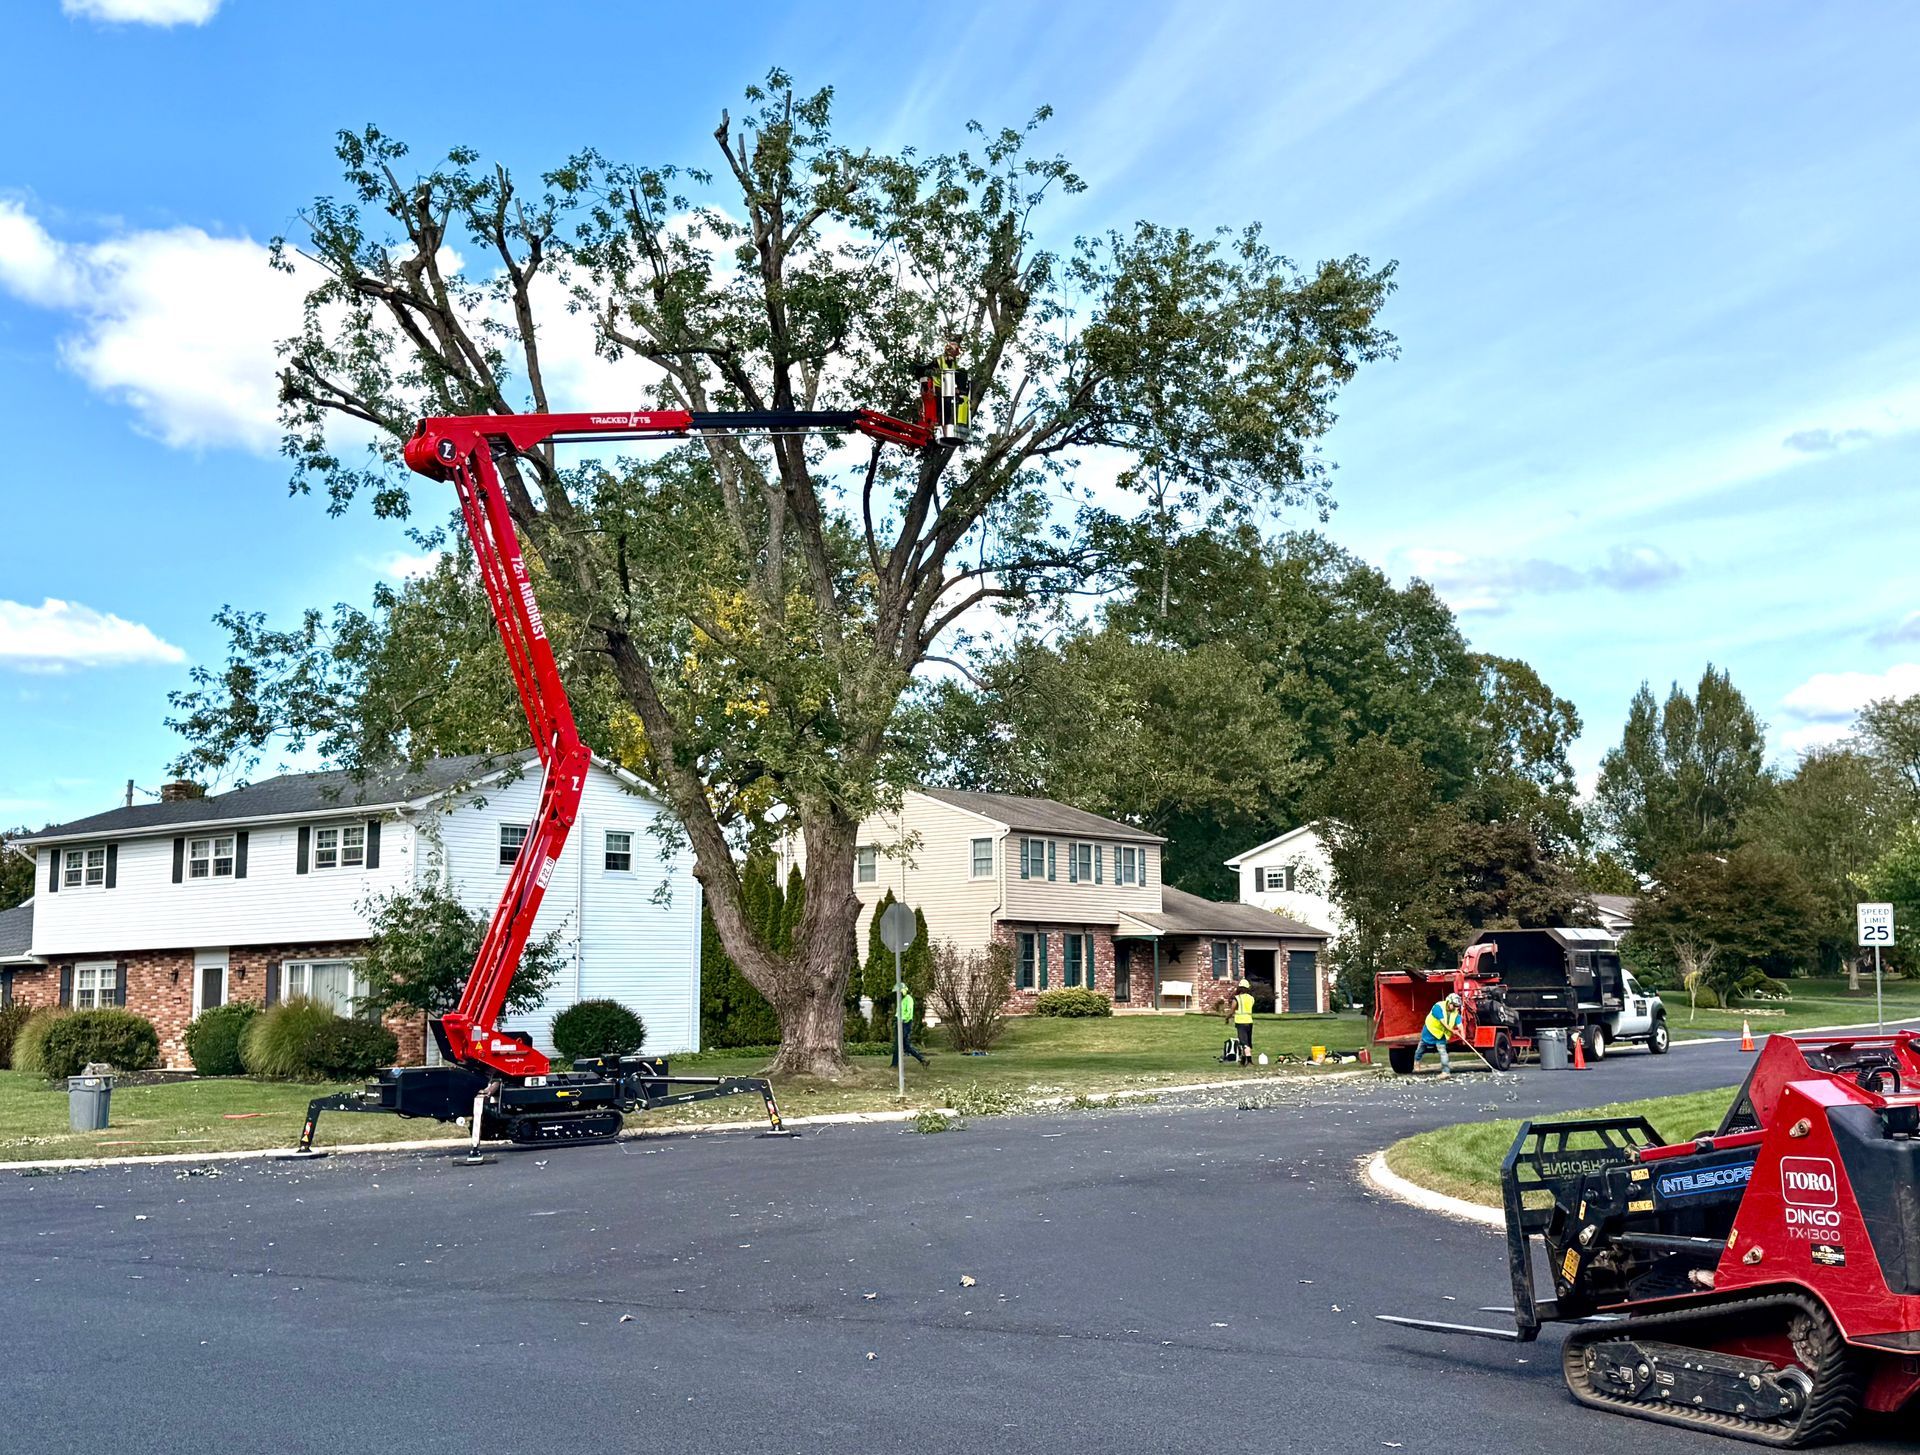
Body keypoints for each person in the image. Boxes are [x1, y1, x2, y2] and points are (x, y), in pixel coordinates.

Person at [1415, 992, 1463, 1079]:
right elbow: (1443, 1022)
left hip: (1441, 1034)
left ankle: (1446, 1072)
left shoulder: (1455, 1012)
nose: (1456, 1008)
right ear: (1449, 1002)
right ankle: (1417, 1061)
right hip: (1430, 1030)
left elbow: (1460, 1024)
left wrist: (1462, 1035)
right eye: (1455, 1005)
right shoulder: (1438, 1007)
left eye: (1457, 1006)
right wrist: (1453, 1031)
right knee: (1421, 1048)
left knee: (1442, 1051)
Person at [890, 982, 929, 1068]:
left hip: (905, 1024)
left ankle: (894, 1064)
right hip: (899, 1022)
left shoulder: (908, 999)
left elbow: (909, 1012)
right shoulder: (901, 1000)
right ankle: (922, 1060)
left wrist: (903, 1020)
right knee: (906, 1045)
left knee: (898, 1044)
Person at [1232, 978, 1256, 1064]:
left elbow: (1232, 1009)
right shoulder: (1251, 998)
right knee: (1248, 1041)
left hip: (1240, 1021)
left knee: (1243, 1042)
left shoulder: (1237, 998)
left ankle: (1249, 1060)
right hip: (1249, 1021)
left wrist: (1227, 1017)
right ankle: (1243, 1059)